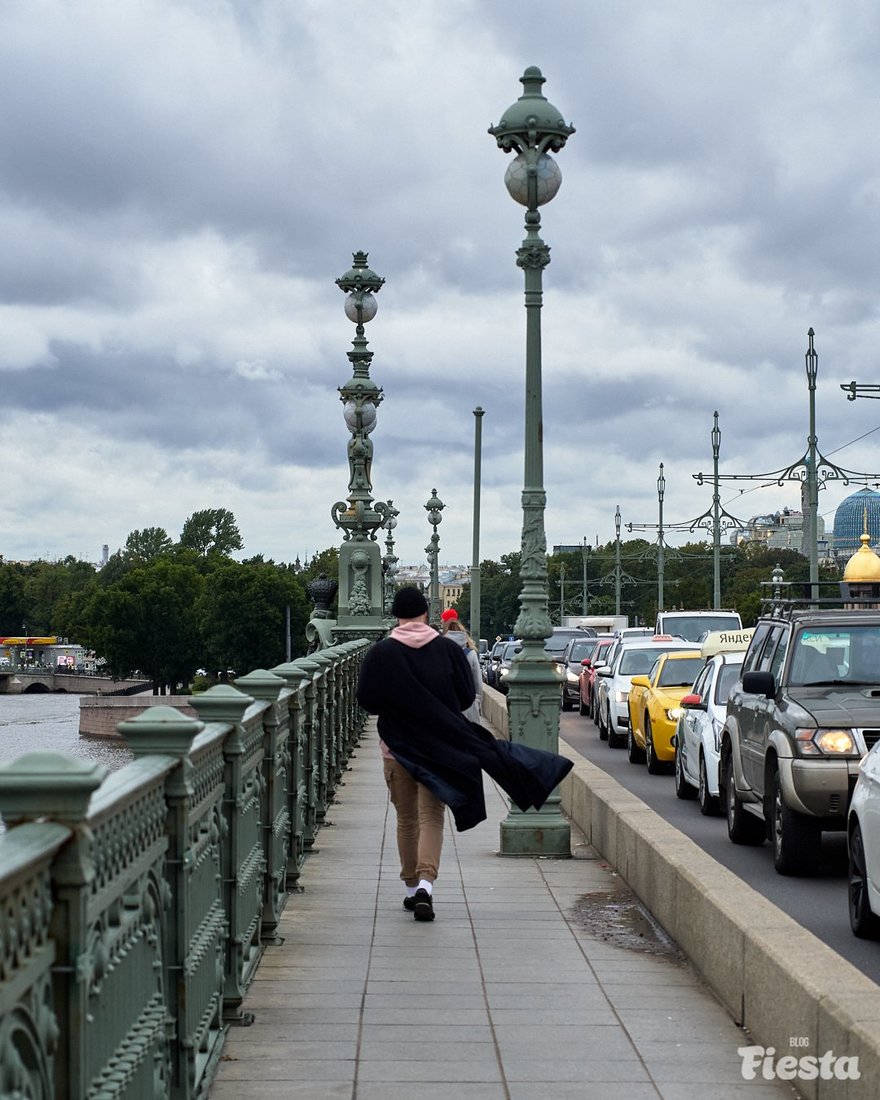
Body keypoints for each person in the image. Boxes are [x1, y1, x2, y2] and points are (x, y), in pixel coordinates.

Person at [357, 586, 574, 923]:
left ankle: (412, 888)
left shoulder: (380, 653)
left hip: (396, 750)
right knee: (431, 816)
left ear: (396, 616)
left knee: (407, 819)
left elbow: (368, 701)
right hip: (441, 749)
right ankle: (428, 883)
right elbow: (462, 699)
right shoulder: (447, 650)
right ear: (426, 614)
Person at [441, 610, 482, 724]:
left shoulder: (441, 652)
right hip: (469, 706)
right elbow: (477, 683)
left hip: (447, 706)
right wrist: (478, 703)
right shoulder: (471, 654)